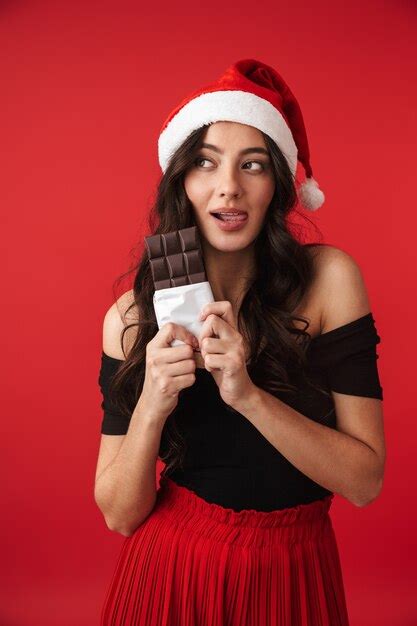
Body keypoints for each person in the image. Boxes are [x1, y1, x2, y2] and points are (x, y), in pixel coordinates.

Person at [94, 59, 386, 626]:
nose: (229, 186)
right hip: (172, 573)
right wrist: (153, 402)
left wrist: (247, 393)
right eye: (205, 163)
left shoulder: (329, 281)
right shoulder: (130, 318)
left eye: (253, 165)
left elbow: (365, 481)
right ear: (181, 179)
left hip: (295, 570)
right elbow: (120, 516)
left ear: (278, 183)